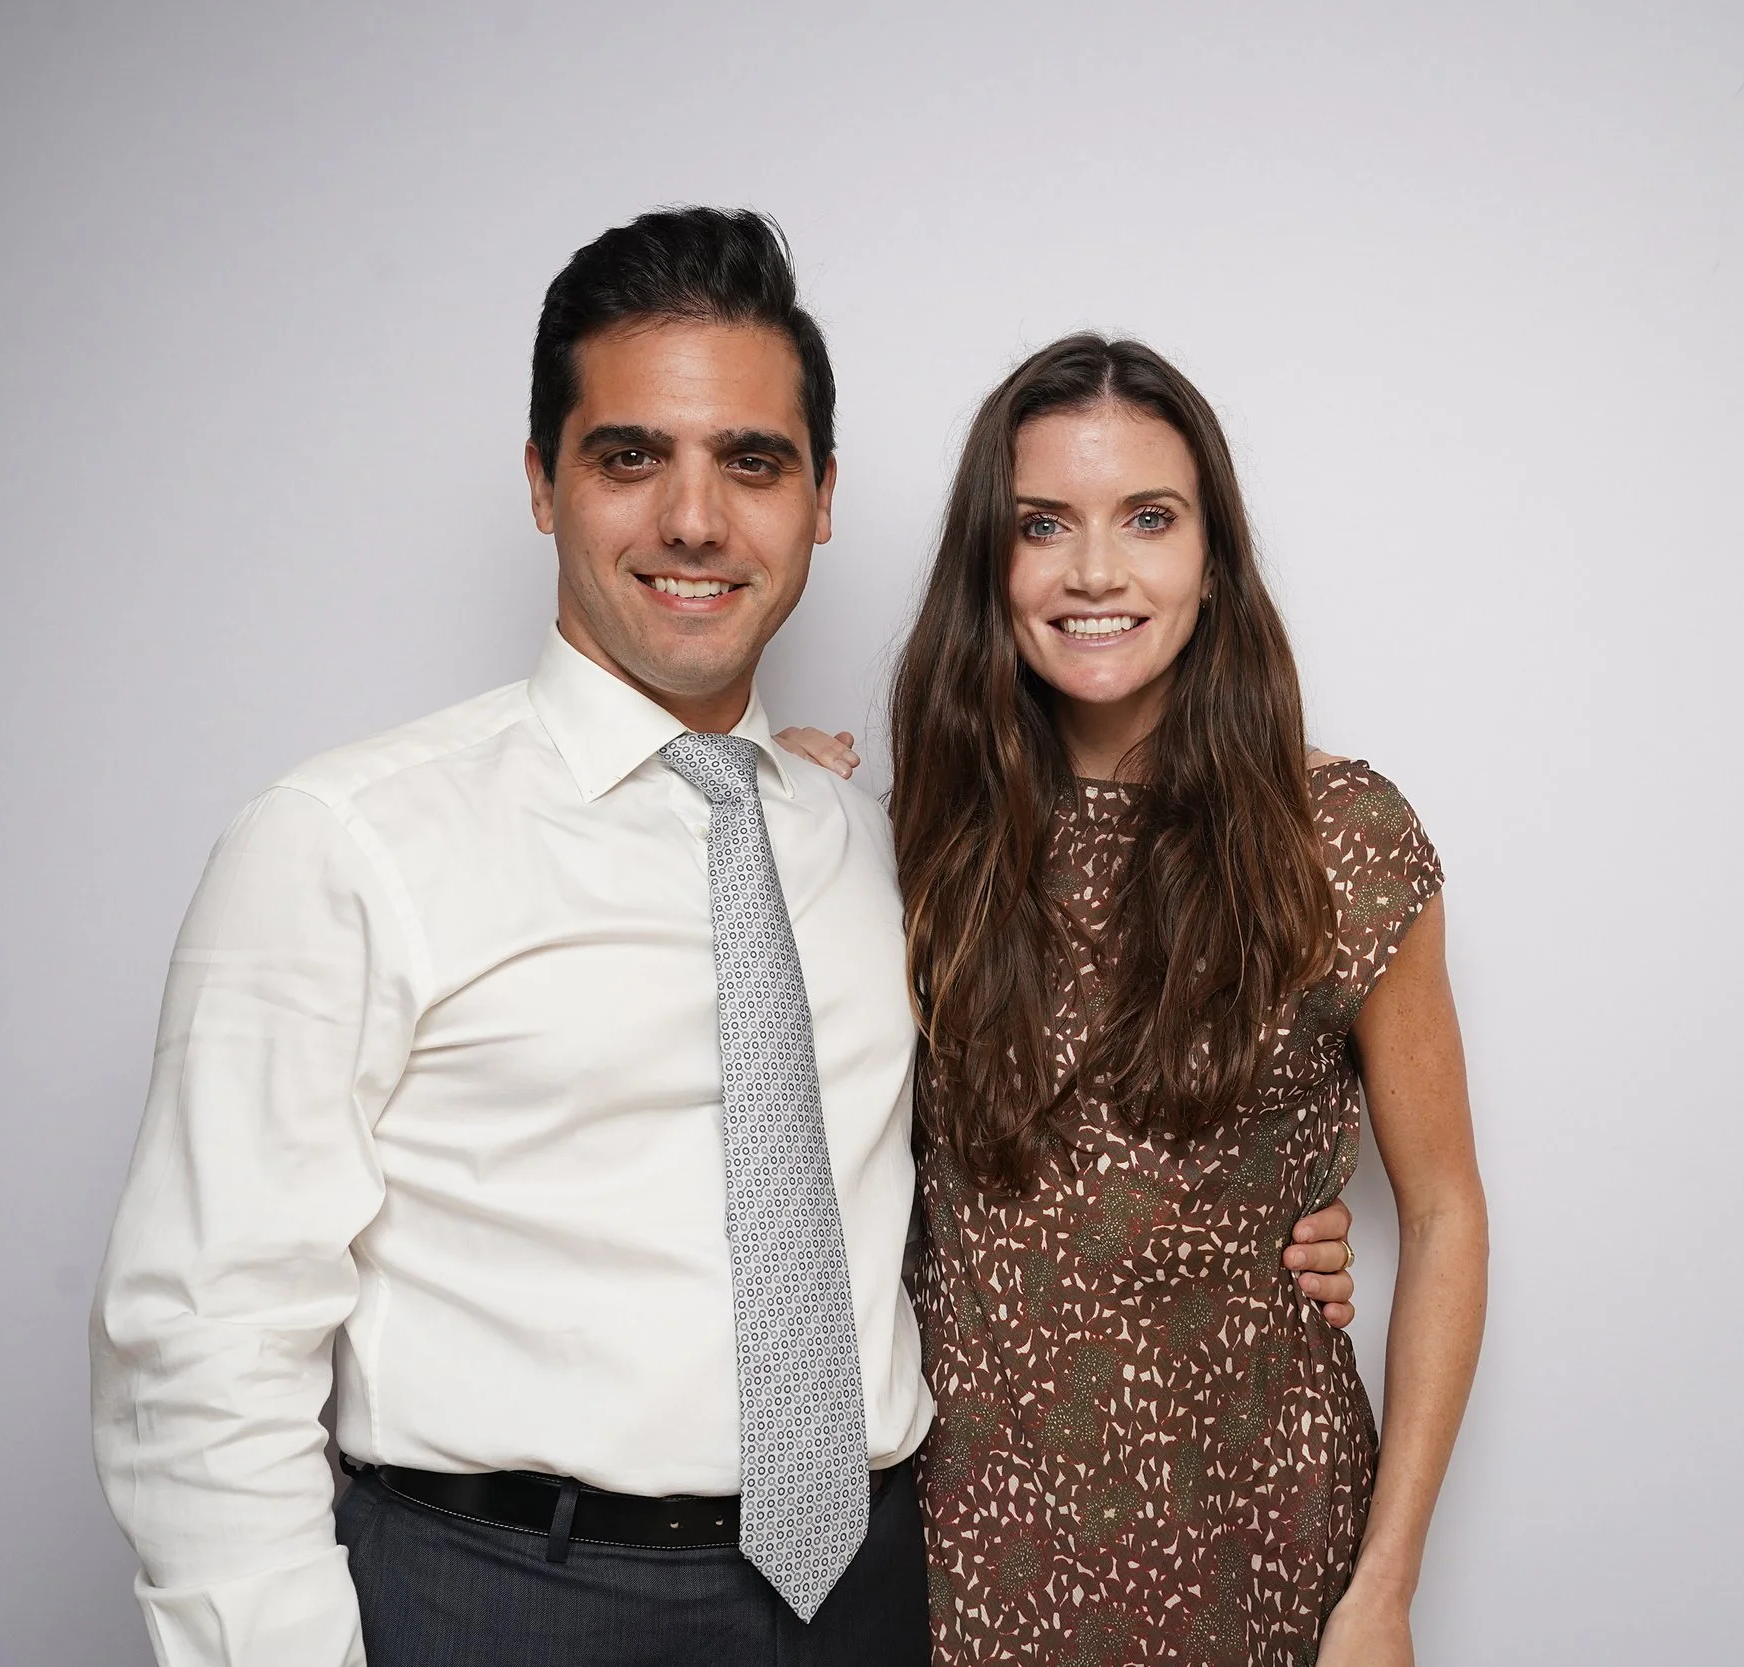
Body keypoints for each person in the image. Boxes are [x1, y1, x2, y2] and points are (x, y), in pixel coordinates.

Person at [89, 208, 1360, 1667]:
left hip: (871, 1598)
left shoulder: (882, 855)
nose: (694, 518)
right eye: (630, 455)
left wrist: (1261, 1230)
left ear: (822, 497)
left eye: (750, 462)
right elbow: (200, 1342)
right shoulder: (346, 840)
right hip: (505, 1598)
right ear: (540, 482)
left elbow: (1032, 1153)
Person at [784, 335, 1487, 1665]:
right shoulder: (918, 835)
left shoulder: (1342, 837)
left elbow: (1445, 1210)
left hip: (1262, 1531)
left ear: (1212, 557)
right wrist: (773, 781)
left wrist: (1385, 1586)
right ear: (991, 563)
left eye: (1147, 520)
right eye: (1043, 524)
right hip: (974, 1540)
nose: (1095, 570)